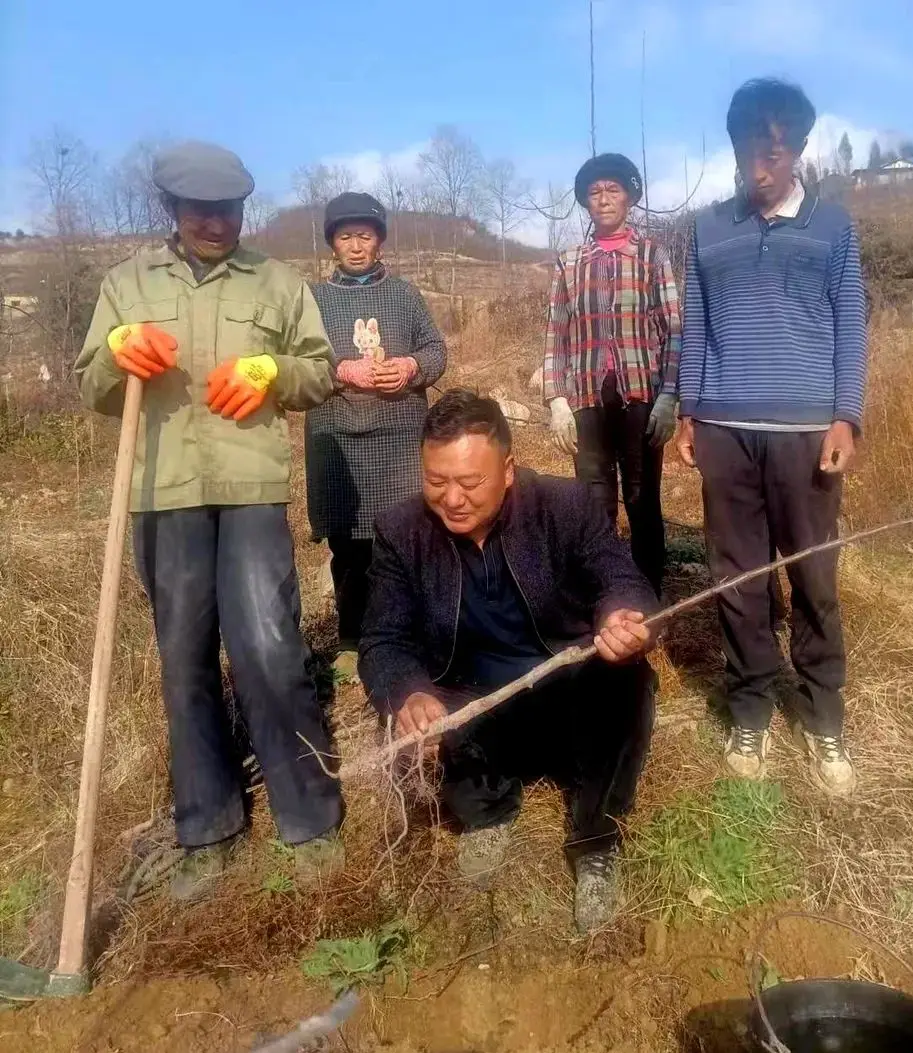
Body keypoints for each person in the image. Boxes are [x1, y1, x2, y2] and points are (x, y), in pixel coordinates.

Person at [74, 141, 345, 900]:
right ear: (171, 210)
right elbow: (92, 384)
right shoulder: (127, 284)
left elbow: (319, 371)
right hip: (163, 491)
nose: (217, 223)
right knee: (183, 656)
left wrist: (274, 372)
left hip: (251, 486)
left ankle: (309, 813)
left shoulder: (278, 281)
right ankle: (208, 824)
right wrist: (118, 350)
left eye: (228, 210)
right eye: (201, 210)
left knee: (268, 645)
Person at [359, 390, 657, 933]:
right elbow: (383, 639)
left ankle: (594, 839)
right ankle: (486, 811)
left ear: (509, 469)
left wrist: (623, 615)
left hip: (567, 695)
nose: (452, 499)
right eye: (436, 481)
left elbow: (621, 577)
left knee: (627, 676)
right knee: (437, 702)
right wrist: (407, 690)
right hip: (474, 702)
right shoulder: (400, 532)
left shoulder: (565, 506)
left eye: (470, 483)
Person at [676, 80, 868, 796]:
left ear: (797, 151)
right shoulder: (707, 229)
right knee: (737, 578)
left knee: (813, 576)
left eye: (774, 149)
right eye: (747, 147)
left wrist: (846, 414)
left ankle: (822, 718)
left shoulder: (832, 227)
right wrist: (690, 411)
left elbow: (851, 322)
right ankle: (751, 705)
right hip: (726, 431)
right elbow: (693, 324)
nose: (758, 163)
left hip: (806, 432)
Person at [305, 192, 447, 683]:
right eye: (345, 237)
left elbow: (435, 351)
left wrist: (410, 366)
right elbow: (298, 363)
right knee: (348, 549)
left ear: (380, 241)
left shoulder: (406, 295)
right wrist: (340, 369)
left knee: (406, 537)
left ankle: (410, 630)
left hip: (399, 438)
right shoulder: (315, 300)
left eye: (365, 236)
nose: (356, 246)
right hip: (339, 439)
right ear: (332, 244)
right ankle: (351, 638)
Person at [543, 153, 682, 597]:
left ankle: (647, 591)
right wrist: (556, 401)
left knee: (642, 499)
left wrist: (669, 395)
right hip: (586, 399)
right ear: (586, 202)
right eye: (595, 193)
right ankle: (602, 591)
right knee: (594, 501)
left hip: (640, 396)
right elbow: (556, 332)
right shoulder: (569, 263)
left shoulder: (651, 255)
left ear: (630, 198)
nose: (603, 199)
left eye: (613, 190)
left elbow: (673, 328)